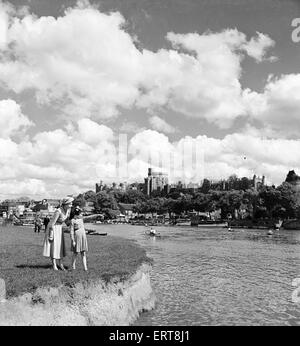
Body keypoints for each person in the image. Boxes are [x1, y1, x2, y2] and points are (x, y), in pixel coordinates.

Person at [42, 197, 73, 271]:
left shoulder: (67, 211)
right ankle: (54, 265)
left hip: (59, 229)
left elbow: (66, 222)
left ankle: (61, 264)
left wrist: (75, 223)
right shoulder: (58, 211)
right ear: (66, 204)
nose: (71, 204)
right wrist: (51, 234)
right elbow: (52, 223)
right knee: (54, 247)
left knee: (60, 247)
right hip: (54, 228)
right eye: (70, 203)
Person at [70, 206, 88, 271]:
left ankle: (85, 268)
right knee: (75, 253)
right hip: (77, 237)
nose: (80, 214)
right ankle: (73, 266)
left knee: (83, 253)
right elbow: (71, 231)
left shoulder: (81, 219)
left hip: (83, 236)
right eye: (79, 213)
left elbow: (89, 217)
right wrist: (73, 240)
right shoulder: (73, 220)